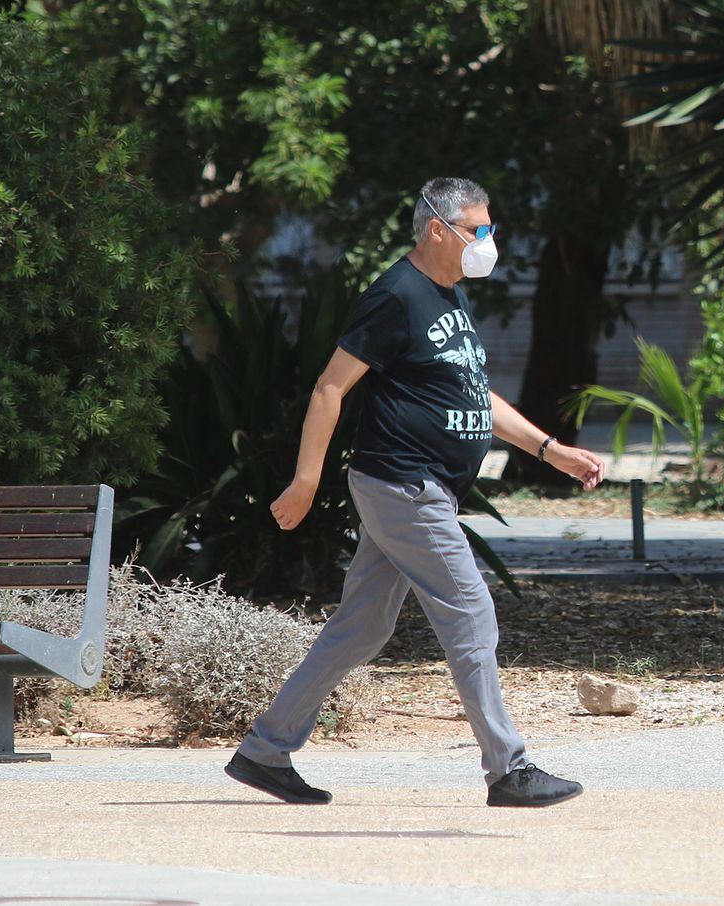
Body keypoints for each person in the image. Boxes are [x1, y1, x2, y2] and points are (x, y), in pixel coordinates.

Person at [224, 177, 606, 808]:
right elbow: (329, 388)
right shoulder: (396, 295)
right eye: (479, 229)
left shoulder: (448, 296)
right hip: (404, 484)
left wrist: (549, 449)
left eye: (490, 228)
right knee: (471, 611)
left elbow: (472, 393)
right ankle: (508, 769)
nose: (489, 240)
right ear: (438, 229)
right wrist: (306, 481)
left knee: (361, 628)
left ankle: (264, 752)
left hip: (417, 487)